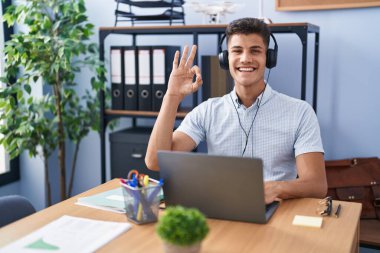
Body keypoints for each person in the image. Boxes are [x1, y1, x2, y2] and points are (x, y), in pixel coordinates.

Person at [145, 17, 327, 204]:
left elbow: (316, 185)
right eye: (237, 51)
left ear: (269, 58)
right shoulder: (208, 111)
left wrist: (275, 188)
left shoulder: (300, 112)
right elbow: (154, 161)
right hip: (223, 209)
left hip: (276, 210)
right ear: (225, 59)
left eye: (255, 51)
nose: (245, 58)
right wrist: (172, 96)